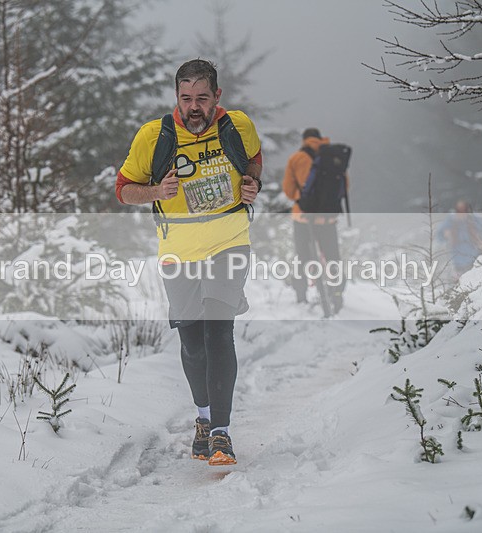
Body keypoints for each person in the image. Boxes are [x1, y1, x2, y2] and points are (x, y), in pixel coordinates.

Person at [115, 59, 262, 466]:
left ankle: (221, 433)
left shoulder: (237, 125)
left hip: (230, 243)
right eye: (185, 98)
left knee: (219, 333)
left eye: (201, 97)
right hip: (178, 252)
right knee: (193, 343)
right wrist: (157, 191)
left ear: (217, 96)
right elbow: (124, 190)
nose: (193, 106)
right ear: (176, 97)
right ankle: (202, 417)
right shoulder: (154, 136)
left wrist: (252, 183)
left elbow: (253, 158)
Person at [282, 128, 346, 314]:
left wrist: (302, 199)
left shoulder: (296, 158)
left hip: (303, 218)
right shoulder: (334, 158)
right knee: (333, 257)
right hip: (327, 220)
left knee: (302, 257)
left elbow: (288, 190)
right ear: (320, 139)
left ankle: (301, 294)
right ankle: (337, 293)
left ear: (304, 140)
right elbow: (344, 187)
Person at [437, 200, 482, 279]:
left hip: (473, 253)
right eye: (459, 210)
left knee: (474, 276)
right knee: (460, 278)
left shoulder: (474, 219)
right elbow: (440, 234)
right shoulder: (451, 220)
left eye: (463, 210)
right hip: (456, 256)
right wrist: (445, 234)